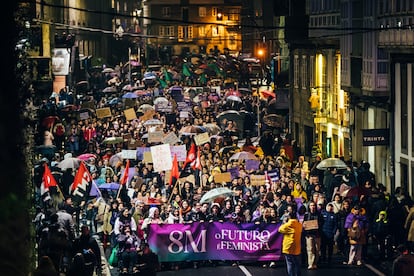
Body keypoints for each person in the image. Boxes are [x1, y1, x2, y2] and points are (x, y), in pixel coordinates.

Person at [278, 207, 303, 276]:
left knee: (290, 263)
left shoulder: (288, 225)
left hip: (288, 247)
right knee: (297, 264)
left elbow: (280, 229)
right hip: (297, 247)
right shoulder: (299, 225)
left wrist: (284, 222)